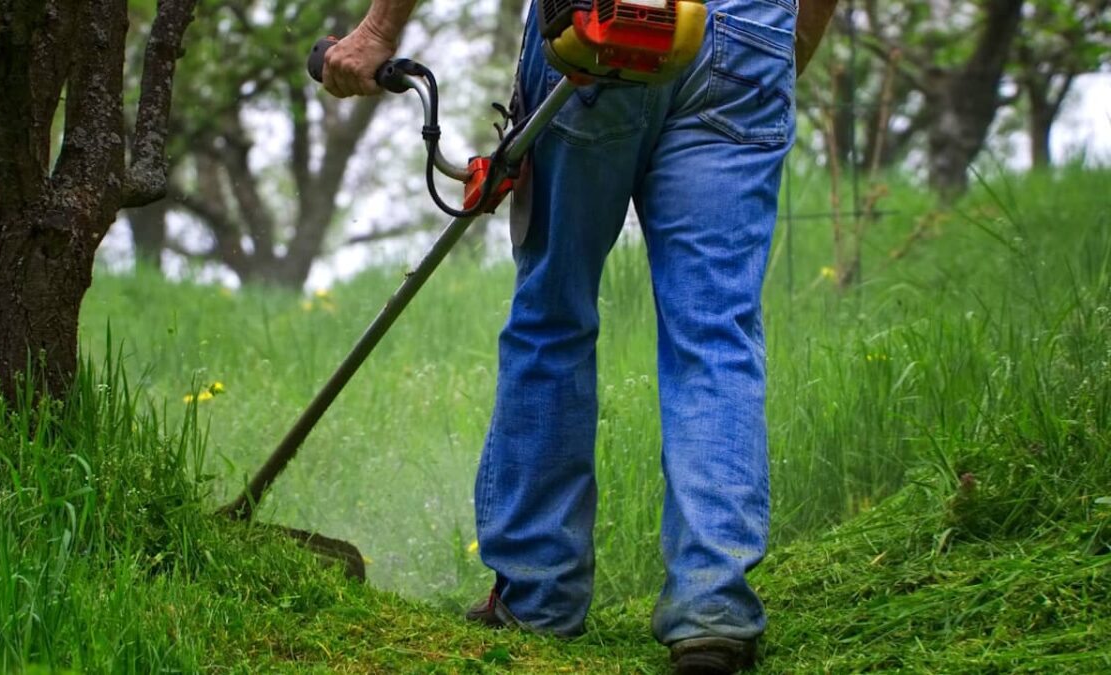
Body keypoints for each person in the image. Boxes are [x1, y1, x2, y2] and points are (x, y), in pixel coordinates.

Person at [323, 1, 837, 672]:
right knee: (716, 329)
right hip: (748, 28)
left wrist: (379, 30)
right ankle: (713, 610)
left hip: (614, 21)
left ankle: (538, 595)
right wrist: (773, 48)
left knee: (554, 312)